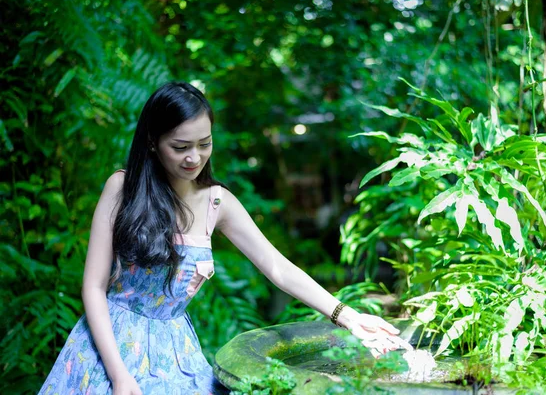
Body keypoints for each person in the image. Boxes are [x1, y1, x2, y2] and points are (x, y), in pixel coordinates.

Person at [38, 82, 411, 395]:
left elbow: (277, 267)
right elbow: (93, 287)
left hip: (174, 349)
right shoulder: (122, 188)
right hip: (109, 342)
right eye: (180, 147)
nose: (194, 157)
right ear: (152, 142)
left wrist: (346, 316)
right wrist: (119, 375)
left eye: (204, 143)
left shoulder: (217, 201)